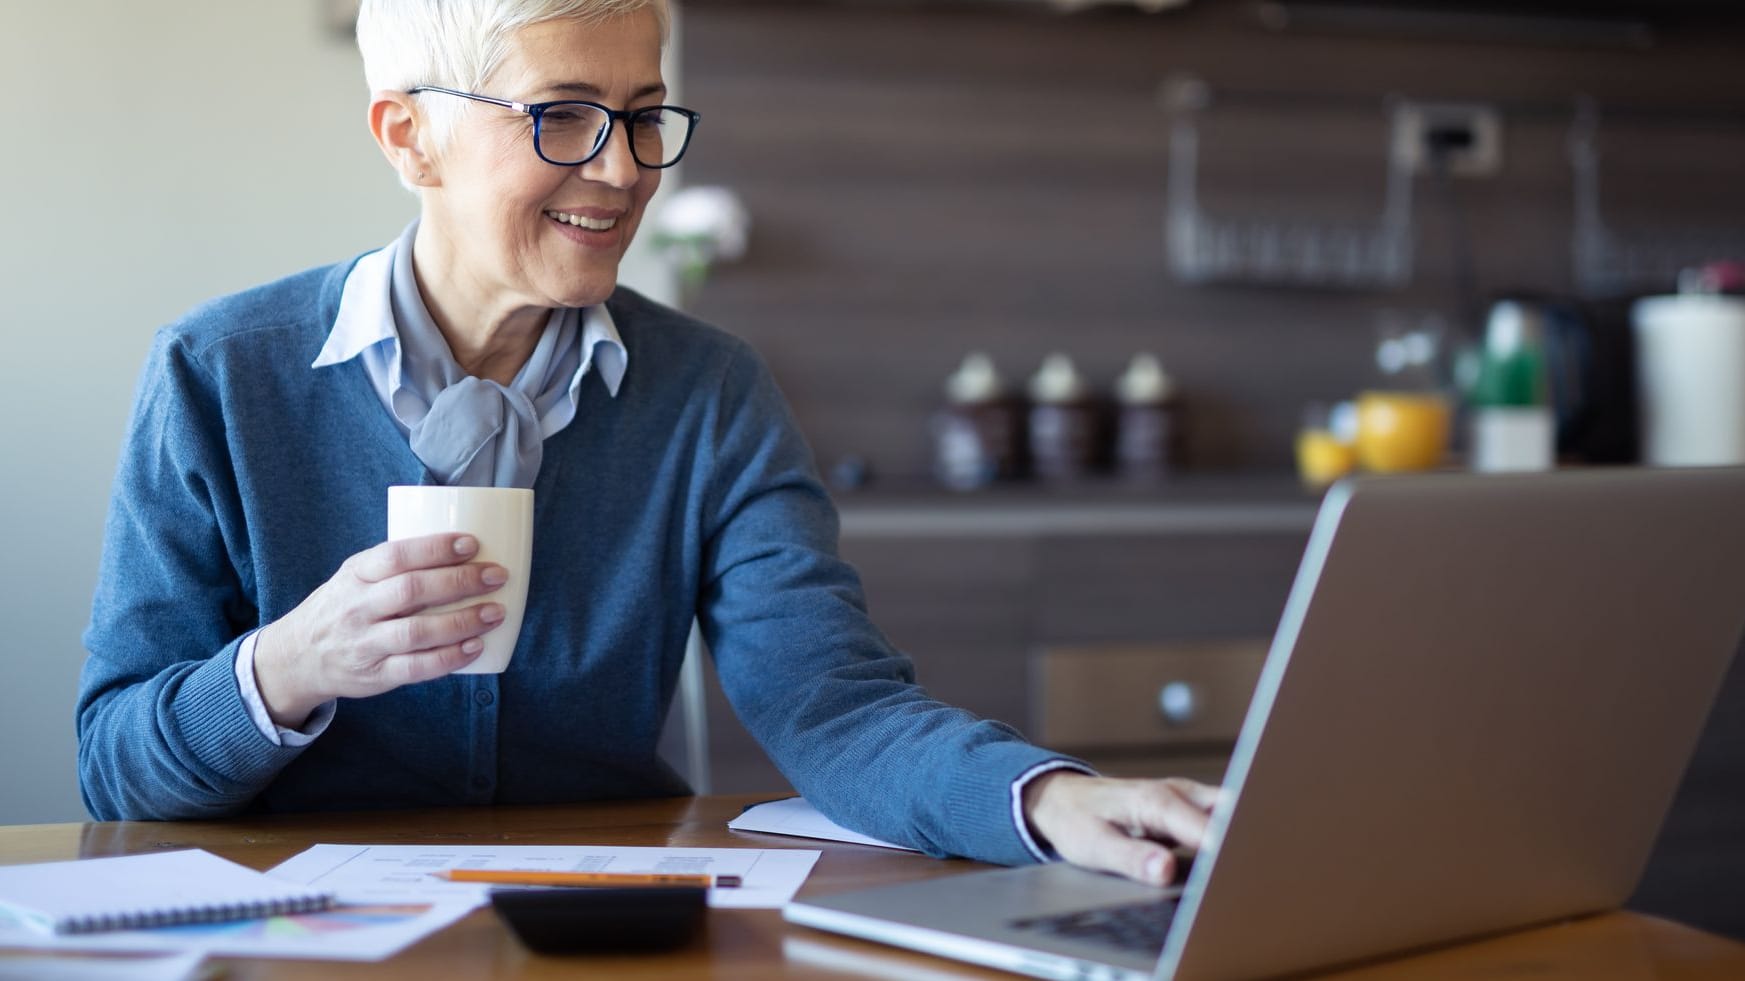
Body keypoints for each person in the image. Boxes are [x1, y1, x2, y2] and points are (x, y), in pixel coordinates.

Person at [76, 0, 1216, 886]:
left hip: (606, 921)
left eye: (641, 113)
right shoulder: (217, 375)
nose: (623, 170)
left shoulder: (708, 391)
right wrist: (287, 668)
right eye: (560, 114)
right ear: (409, 136)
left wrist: (1044, 799)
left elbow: (831, 705)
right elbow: (114, 769)